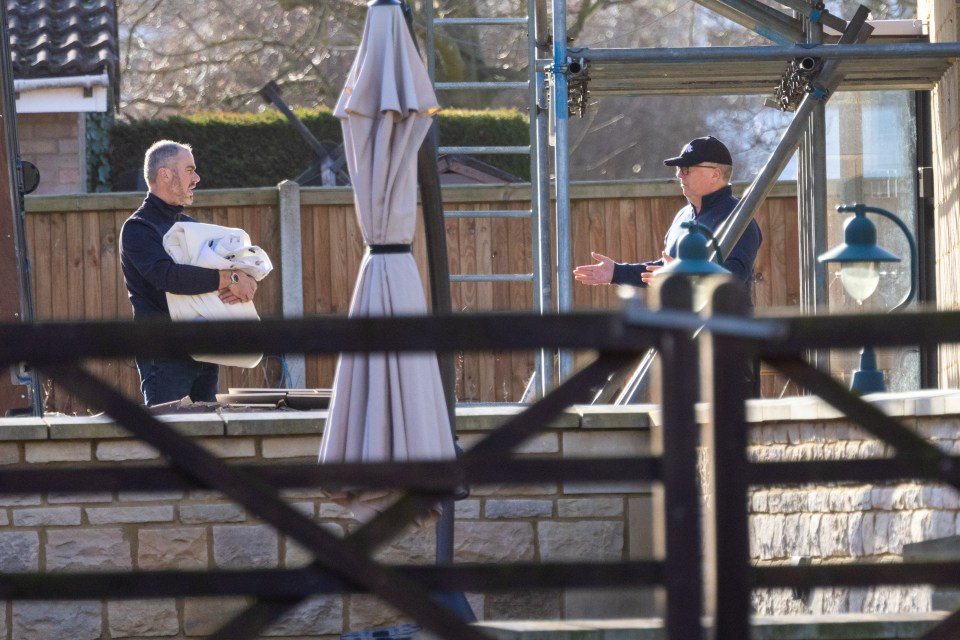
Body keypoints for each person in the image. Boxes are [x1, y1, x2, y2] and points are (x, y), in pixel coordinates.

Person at [119, 140, 258, 406]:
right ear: (165, 174)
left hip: (204, 348)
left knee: (207, 436)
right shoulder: (139, 228)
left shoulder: (190, 227)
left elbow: (227, 266)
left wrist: (246, 278)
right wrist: (230, 278)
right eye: (189, 170)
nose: (197, 177)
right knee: (168, 438)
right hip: (164, 353)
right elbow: (167, 277)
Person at [573, 135, 761, 290]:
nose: (679, 174)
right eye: (679, 169)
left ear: (716, 174)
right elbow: (666, 268)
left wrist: (681, 277)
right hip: (681, 329)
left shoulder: (739, 218)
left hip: (725, 332)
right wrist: (616, 272)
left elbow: (733, 279)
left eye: (687, 169)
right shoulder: (683, 216)